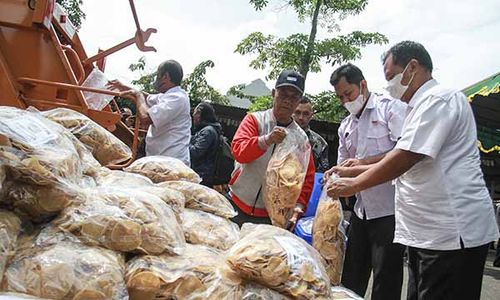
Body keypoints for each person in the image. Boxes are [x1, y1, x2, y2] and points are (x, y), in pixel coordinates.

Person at [326, 41, 499, 300]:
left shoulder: (439, 98)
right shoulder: (416, 107)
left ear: (412, 68)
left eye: (391, 77)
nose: (389, 85)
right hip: (425, 233)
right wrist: (354, 169)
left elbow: (406, 156)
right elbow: (402, 153)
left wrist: (354, 183)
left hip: (451, 233)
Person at [327, 63, 407, 299]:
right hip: (361, 212)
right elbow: (343, 167)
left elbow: (405, 151)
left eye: (348, 94)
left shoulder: (390, 109)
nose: (345, 101)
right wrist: (333, 180)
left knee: (386, 278)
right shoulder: (346, 125)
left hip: (389, 211)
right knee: (351, 275)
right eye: (340, 97)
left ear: (363, 85)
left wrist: (362, 165)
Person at [229, 70, 315, 229]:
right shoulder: (255, 120)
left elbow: (306, 177)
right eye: (283, 94)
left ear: (298, 101)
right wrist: (266, 140)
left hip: (271, 216)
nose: (287, 101)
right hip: (238, 203)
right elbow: (239, 152)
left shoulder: (301, 139)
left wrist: (298, 207)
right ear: (274, 93)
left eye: (294, 97)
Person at [109, 60, 191, 165]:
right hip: (161, 158)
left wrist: (138, 96)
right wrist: (123, 87)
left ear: (166, 76)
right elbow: (147, 97)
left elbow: (145, 118)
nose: (156, 79)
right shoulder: (166, 96)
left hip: (170, 161)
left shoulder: (177, 98)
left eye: (158, 75)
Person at [292, 96, 330, 172]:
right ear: (291, 112)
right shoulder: (279, 136)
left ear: (311, 115)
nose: (301, 117)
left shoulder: (319, 143)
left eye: (305, 114)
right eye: (297, 112)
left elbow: (322, 174)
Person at [189, 102, 222, 187]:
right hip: (202, 175)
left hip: (201, 177)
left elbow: (196, 152)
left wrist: (183, 142)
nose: (193, 116)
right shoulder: (208, 130)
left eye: (195, 113)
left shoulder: (208, 132)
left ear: (200, 114)